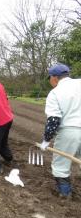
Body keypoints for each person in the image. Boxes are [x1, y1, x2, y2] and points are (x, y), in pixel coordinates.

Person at [39, 63, 81, 197]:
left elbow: (54, 120)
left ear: (54, 78)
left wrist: (46, 140)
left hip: (70, 131)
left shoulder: (55, 93)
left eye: (50, 78)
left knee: (61, 165)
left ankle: (65, 194)